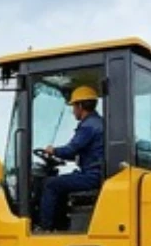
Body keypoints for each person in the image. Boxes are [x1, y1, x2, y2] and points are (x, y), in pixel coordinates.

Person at [38, 85, 104, 231]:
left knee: (50, 184)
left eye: (74, 106)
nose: (73, 110)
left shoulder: (88, 126)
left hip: (92, 175)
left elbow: (71, 149)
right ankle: (62, 226)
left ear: (80, 106)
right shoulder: (99, 123)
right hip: (97, 173)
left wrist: (53, 150)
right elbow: (78, 152)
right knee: (61, 184)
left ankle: (45, 228)